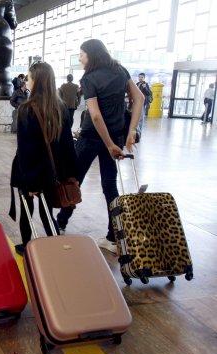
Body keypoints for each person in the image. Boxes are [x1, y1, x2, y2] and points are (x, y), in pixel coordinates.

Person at [56, 39, 144, 254]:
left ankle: (61, 221)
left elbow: (95, 116)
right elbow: (139, 98)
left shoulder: (89, 78)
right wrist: (129, 132)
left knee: (74, 180)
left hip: (91, 138)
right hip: (114, 136)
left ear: (91, 55)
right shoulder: (120, 70)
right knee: (109, 185)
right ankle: (113, 237)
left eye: (82, 54)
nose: (80, 58)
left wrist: (109, 144)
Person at [11, 61, 77, 252]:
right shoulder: (61, 107)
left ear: (37, 81)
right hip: (52, 171)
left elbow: (25, 149)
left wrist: (31, 182)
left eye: (29, 78)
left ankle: (26, 245)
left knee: (27, 209)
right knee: (47, 209)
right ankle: (55, 244)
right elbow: (67, 145)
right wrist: (71, 174)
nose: (27, 81)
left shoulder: (26, 109)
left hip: (30, 171)